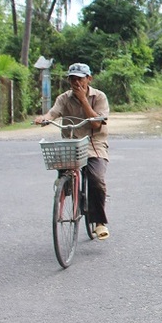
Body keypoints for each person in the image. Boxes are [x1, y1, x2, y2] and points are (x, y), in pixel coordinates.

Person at [35, 63, 112, 240]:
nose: (76, 82)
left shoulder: (99, 97)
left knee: (96, 179)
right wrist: (44, 119)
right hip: (72, 143)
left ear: (89, 79)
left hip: (94, 144)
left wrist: (83, 99)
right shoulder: (64, 98)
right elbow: (53, 113)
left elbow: (96, 124)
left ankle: (99, 222)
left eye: (80, 79)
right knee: (63, 165)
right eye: (72, 79)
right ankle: (65, 185)